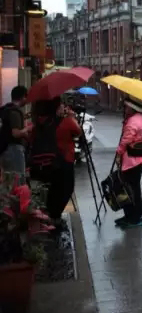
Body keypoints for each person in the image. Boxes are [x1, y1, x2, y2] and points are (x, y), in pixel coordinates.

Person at [30, 97, 81, 228]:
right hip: (64, 160)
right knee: (66, 189)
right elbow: (78, 132)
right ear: (56, 108)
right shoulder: (66, 121)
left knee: (53, 189)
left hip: (44, 162)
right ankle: (54, 217)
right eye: (61, 105)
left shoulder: (39, 122)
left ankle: (49, 215)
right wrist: (72, 117)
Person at [115, 98, 142, 228]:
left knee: (130, 190)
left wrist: (118, 153)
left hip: (132, 161)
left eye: (126, 107)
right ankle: (131, 216)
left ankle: (134, 218)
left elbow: (126, 140)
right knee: (134, 189)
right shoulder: (141, 118)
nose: (124, 109)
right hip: (139, 160)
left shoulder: (133, 121)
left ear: (131, 108)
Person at [0, 86, 31, 175]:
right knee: (18, 177)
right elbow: (15, 133)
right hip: (14, 150)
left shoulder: (6, 109)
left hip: (4, 149)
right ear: (23, 97)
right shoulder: (15, 111)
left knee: (8, 178)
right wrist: (27, 129)